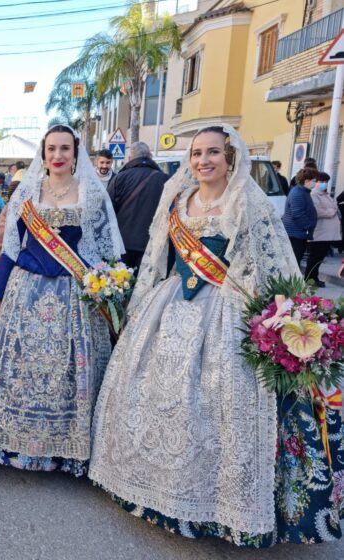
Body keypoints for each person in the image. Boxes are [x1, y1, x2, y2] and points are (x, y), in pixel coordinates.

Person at [90, 125, 343, 547]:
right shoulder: (176, 200)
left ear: (230, 158)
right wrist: (139, 308)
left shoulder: (247, 200)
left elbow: (272, 262)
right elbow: (157, 258)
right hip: (171, 303)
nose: (203, 161)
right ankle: (153, 488)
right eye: (196, 154)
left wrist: (282, 321)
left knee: (222, 399)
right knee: (158, 391)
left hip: (226, 309)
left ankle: (219, 506)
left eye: (212, 153)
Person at [0, 125, 124, 475]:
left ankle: (64, 448)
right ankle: (14, 443)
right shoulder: (26, 192)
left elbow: (106, 253)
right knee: (22, 369)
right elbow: (10, 251)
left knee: (65, 372)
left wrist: (110, 293)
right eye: (51, 149)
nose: (58, 156)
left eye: (65, 149)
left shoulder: (91, 193)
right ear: (42, 154)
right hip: (25, 291)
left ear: (76, 153)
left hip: (71, 296)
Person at [106, 142, 169, 271]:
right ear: (150, 156)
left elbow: (108, 211)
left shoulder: (120, 178)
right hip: (153, 246)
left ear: (130, 158)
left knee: (121, 284)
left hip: (123, 244)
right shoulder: (165, 179)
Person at [305, 171, 340, 287]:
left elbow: (334, 206)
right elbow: (316, 211)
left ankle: (314, 277)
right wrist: (331, 212)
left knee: (320, 257)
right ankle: (309, 278)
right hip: (319, 232)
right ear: (316, 182)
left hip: (327, 233)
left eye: (326, 182)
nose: (324, 184)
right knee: (315, 256)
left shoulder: (326, 194)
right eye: (321, 181)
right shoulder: (313, 194)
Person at [281, 167, 319, 268]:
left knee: (295, 262)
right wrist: (308, 227)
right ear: (306, 181)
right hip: (295, 234)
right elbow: (297, 214)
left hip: (299, 233)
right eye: (314, 181)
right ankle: (290, 283)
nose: (316, 183)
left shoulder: (303, 192)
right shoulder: (298, 193)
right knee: (293, 264)